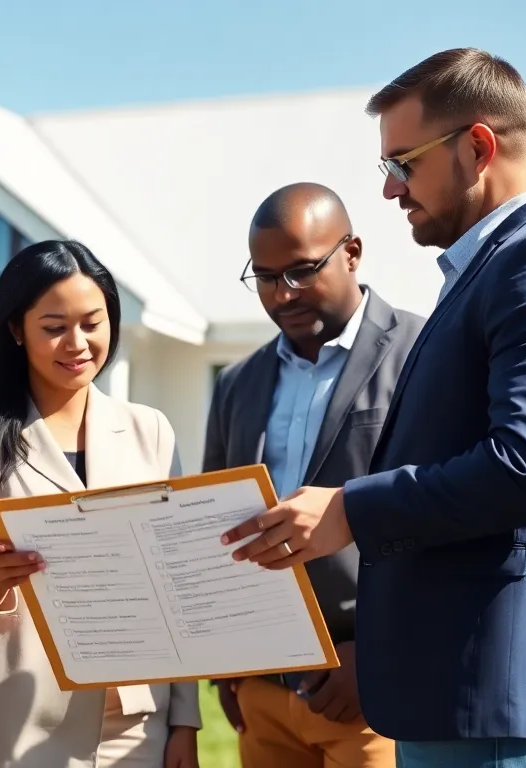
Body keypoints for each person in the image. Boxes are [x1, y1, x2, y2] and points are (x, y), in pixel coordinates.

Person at [220, 48, 526, 767]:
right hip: (456, 691)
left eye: (403, 163)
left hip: (495, 693)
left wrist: (350, 509)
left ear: (479, 147)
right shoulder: (489, 270)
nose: (391, 188)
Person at [0, 239, 202, 768]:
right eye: (54, 327)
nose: (77, 344)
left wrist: (184, 720)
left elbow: (176, 587)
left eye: (92, 323)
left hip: (133, 722)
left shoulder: (151, 431)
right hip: (10, 718)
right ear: (16, 329)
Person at [204, 182, 423, 767]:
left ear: (352, 252)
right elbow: (211, 528)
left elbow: (447, 514)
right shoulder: (236, 385)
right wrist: (228, 668)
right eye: (265, 277)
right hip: (262, 692)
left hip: (371, 692)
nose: (284, 293)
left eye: (302, 271)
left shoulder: (423, 352)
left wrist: (379, 654)